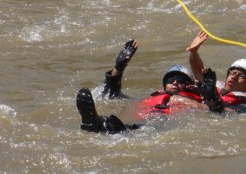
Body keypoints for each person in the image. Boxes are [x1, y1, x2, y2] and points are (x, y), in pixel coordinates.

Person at [76, 38, 208, 134]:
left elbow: (212, 109)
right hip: (142, 122)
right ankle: (95, 123)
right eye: (171, 79)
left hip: (161, 126)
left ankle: (100, 126)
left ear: (189, 86)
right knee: (112, 99)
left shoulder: (194, 100)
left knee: (127, 128)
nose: (175, 82)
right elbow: (111, 94)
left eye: (180, 80)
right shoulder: (151, 98)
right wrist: (119, 67)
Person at [187, 31, 246, 114]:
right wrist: (194, 52)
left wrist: (212, 99)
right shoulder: (214, 88)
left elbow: (226, 114)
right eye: (232, 73)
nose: (234, 77)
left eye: (241, 76)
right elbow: (199, 73)